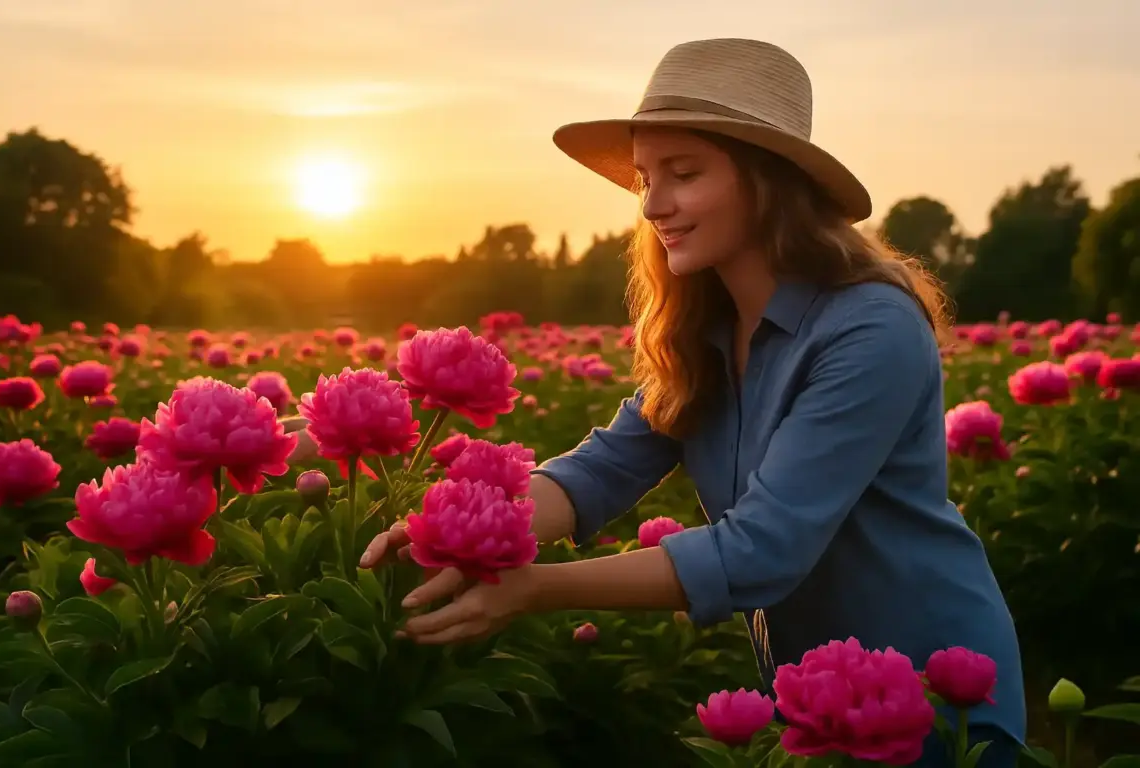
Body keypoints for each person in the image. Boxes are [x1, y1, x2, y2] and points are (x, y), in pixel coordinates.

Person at [293, 38, 1026, 767]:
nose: (652, 205)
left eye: (683, 174)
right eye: (645, 177)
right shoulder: (702, 329)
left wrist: (530, 589)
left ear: (767, 180)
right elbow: (598, 471)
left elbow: (762, 550)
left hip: (936, 696)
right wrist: (454, 536)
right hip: (811, 698)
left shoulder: (872, 326)